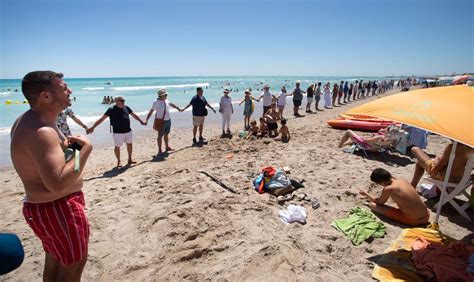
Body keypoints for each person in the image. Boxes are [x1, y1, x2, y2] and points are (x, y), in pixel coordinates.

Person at [10, 71, 93, 280]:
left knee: (56, 259)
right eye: (64, 88)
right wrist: (84, 151)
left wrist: (71, 150)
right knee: (74, 264)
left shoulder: (30, 120)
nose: (69, 91)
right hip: (57, 208)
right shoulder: (42, 131)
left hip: (49, 209)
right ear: (46, 96)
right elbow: (58, 183)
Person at [87, 96, 145, 167]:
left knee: (129, 144)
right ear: (116, 101)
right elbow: (102, 119)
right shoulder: (111, 109)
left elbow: (134, 115)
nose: (123, 102)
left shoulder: (126, 107)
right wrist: (93, 127)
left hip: (128, 131)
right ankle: (119, 161)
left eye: (124, 100)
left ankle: (130, 159)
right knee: (117, 146)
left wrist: (141, 121)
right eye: (121, 101)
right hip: (118, 133)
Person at [359, 168, 429, 226]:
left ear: (381, 182)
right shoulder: (402, 180)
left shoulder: (389, 189)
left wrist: (366, 193)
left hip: (414, 221)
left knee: (373, 205)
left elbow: (379, 202)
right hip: (426, 215)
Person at [145, 89, 180, 155]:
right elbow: (151, 111)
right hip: (161, 122)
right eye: (165, 94)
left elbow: (171, 104)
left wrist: (177, 108)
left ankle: (167, 147)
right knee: (160, 136)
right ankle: (160, 150)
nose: (167, 95)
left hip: (168, 120)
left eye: (166, 94)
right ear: (161, 96)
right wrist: (147, 119)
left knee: (166, 134)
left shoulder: (166, 100)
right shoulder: (156, 102)